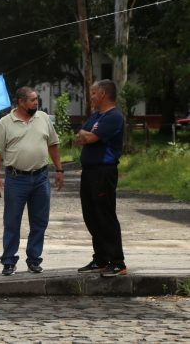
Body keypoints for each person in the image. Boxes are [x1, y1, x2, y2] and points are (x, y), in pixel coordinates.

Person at [0, 86, 64, 276]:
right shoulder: (5, 122)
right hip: (16, 178)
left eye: (36, 99)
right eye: (32, 100)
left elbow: (53, 144)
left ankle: (34, 259)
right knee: (12, 221)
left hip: (40, 178)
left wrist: (59, 169)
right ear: (21, 102)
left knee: (39, 221)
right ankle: (8, 261)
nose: (36, 103)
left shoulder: (44, 118)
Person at [74, 79, 126, 277]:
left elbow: (88, 138)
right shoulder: (96, 116)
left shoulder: (113, 117)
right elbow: (80, 136)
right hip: (89, 172)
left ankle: (117, 261)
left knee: (105, 215)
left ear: (103, 94)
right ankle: (101, 258)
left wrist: (86, 135)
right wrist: (85, 134)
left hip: (103, 172)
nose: (92, 96)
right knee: (91, 216)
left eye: (94, 93)